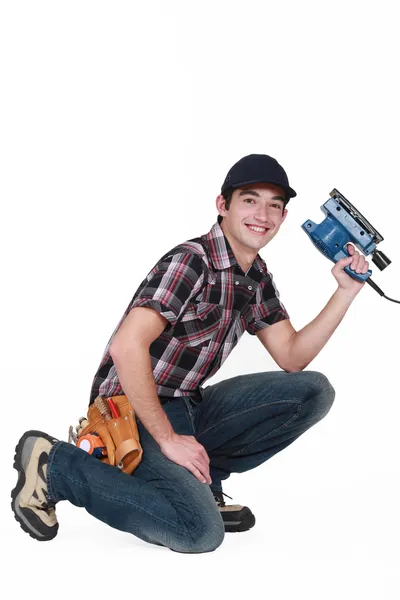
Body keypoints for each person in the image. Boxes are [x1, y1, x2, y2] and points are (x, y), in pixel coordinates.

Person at [11, 154, 369, 552]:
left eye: (274, 205)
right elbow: (127, 345)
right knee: (197, 532)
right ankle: (56, 467)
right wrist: (166, 438)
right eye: (250, 200)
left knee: (313, 390)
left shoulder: (256, 277)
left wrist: (345, 292)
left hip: (187, 404)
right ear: (223, 205)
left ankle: (203, 480)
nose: (262, 215)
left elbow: (291, 356)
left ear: (284, 218)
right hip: (131, 407)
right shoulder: (191, 262)